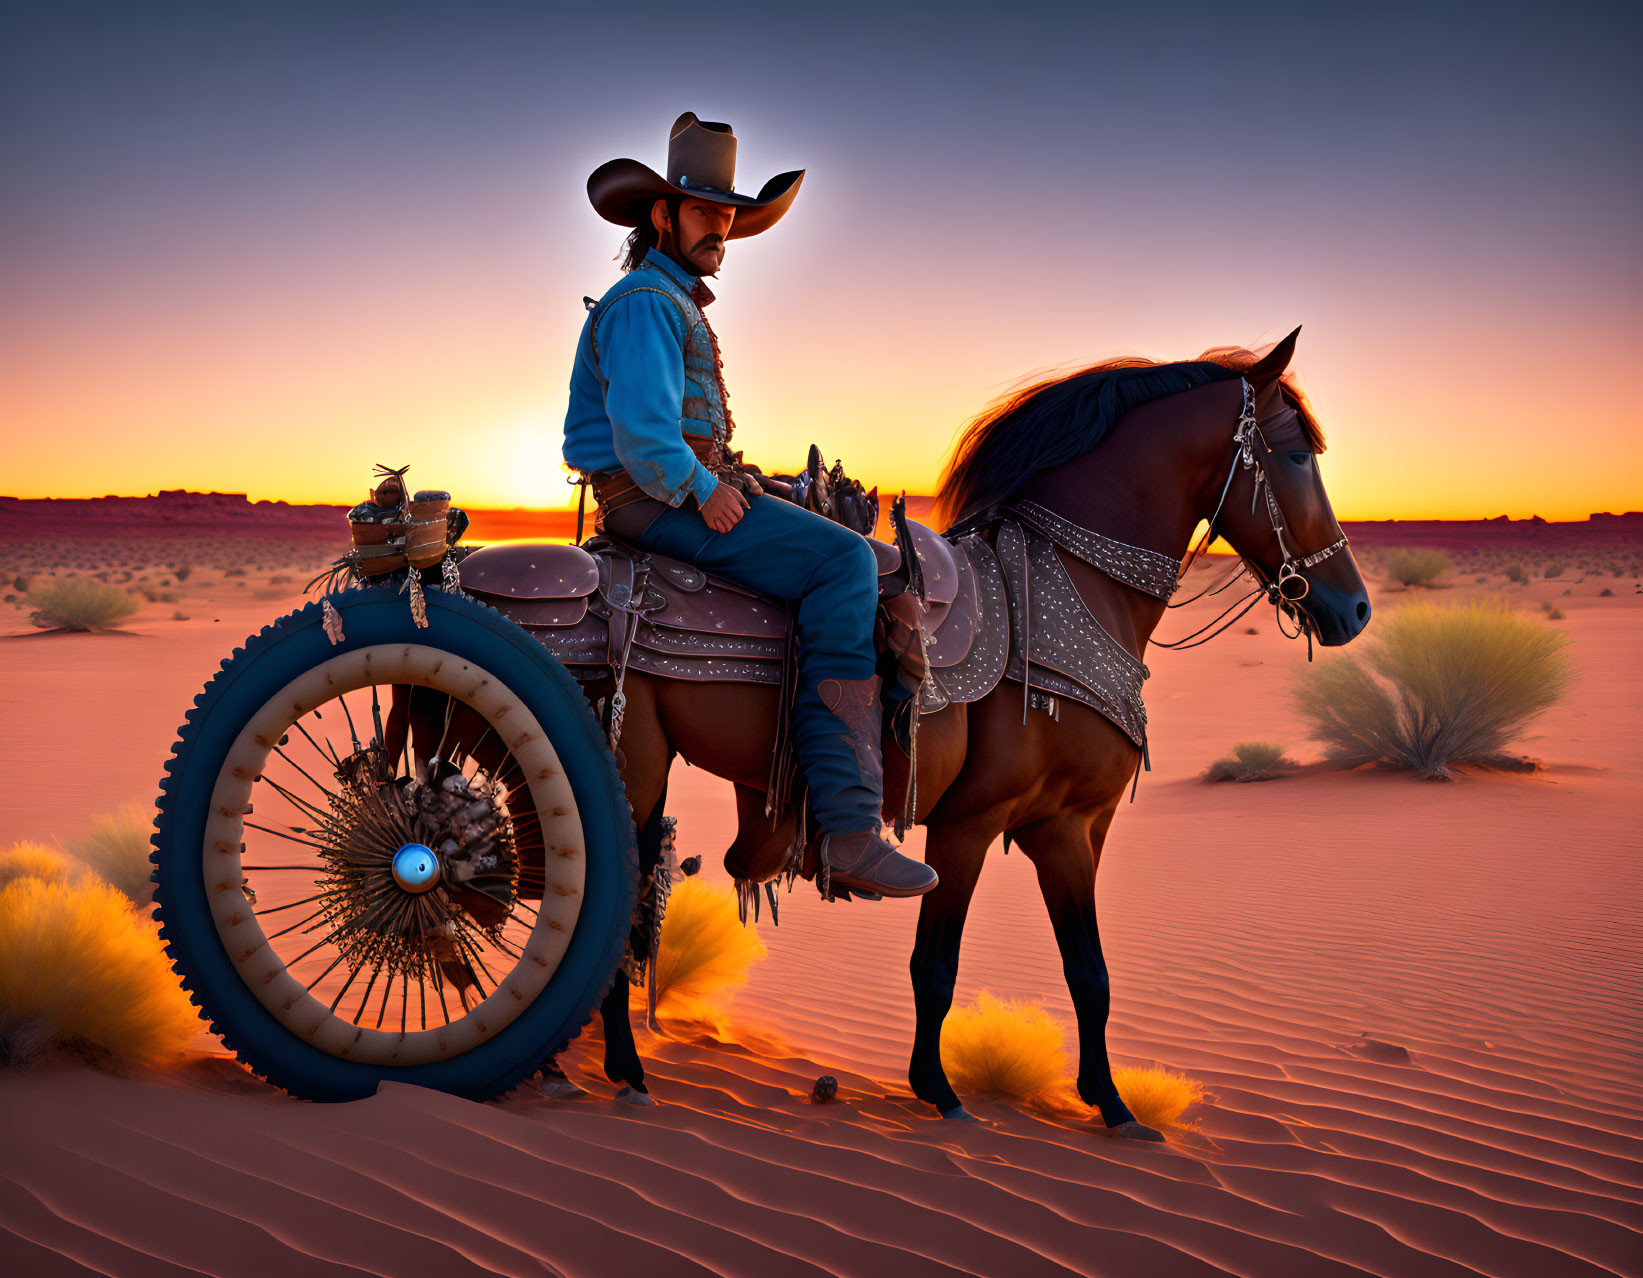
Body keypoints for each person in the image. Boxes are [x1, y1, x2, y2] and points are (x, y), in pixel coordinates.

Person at [562, 113, 936, 900]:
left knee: (870, 558)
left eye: (728, 217)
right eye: (704, 212)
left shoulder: (674, 301)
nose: (719, 231)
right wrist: (706, 491)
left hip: (673, 491)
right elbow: (643, 439)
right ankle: (847, 828)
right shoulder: (643, 304)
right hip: (653, 501)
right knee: (840, 564)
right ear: (661, 215)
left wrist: (739, 477)